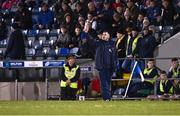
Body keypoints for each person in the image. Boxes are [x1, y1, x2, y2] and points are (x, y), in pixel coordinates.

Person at [95, 30, 116, 101]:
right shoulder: (99, 43)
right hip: (102, 66)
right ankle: (107, 98)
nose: (104, 35)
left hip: (110, 67)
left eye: (105, 34)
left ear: (109, 35)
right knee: (104, 83)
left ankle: (106, 97)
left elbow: (114, 56)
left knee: (108, 82)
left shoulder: (112, 44)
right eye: (103, 34)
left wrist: (114, 66)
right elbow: (92, 41)